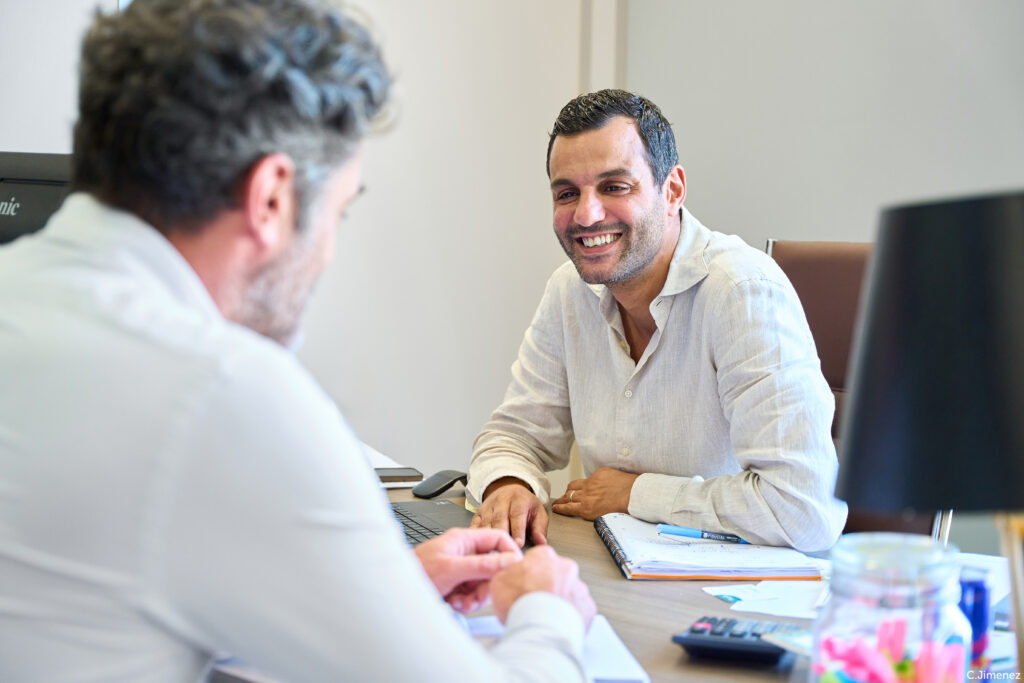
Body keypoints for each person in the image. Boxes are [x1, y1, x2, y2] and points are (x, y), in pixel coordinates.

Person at [0, 1, 595, 681]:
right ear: (273, 198)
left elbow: (107, 592)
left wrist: (371, 586)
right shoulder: (222, 390)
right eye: (337, 212)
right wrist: (549, 615)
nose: (327, 252)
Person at [468, 89, 847, 553]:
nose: (586, 215)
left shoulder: (742, 293)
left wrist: (634, 493)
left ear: (672, 191)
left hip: (742, 593)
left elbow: (804, 510)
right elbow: (513, 435)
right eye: (567, 193)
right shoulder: (570, 291)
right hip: (617, 573)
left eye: (614, 186)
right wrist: (508, 485)